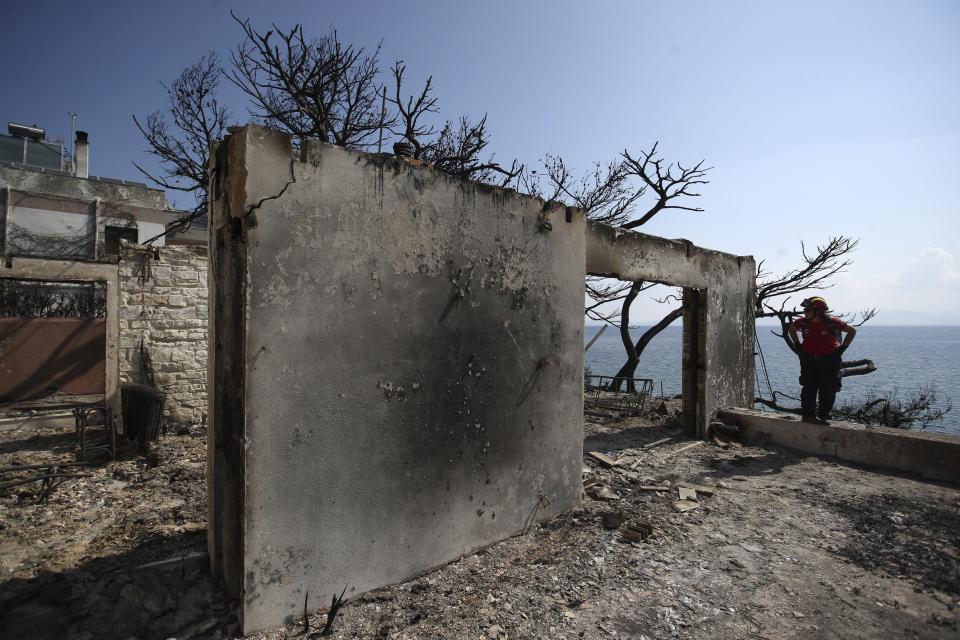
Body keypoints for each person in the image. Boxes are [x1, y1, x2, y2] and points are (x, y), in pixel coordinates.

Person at [787, 296, 857, 425]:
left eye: (808, 310)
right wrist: (798, 346)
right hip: (809, 359)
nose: (805, 312)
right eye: (805, 310)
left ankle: (825, 416)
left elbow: (852, 331)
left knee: (828, 388)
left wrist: (841, 349)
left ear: (818, 311)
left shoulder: (832, 322)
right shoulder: (803, 322)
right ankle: (808, 416)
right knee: (809, 387)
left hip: (830, 360)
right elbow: (791, 329)